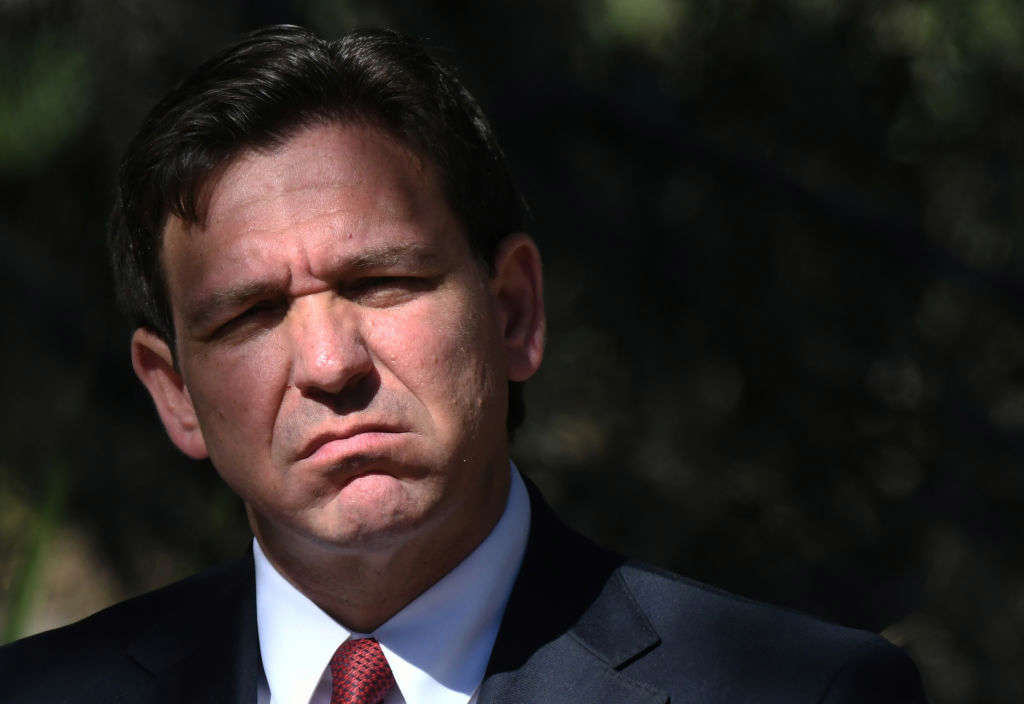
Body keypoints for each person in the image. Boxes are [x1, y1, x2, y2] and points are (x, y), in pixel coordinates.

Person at [0, 25, 928, 704]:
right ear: (175, 394)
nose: (328, 363)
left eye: (381, 282)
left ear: (513, 310)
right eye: (252, 314)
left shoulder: (801, 692)